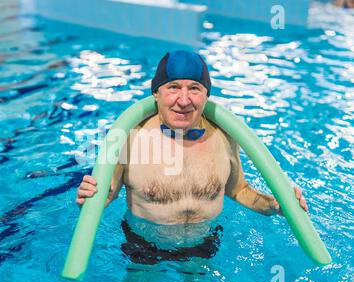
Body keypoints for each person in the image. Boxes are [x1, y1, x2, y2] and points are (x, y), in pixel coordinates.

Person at [76, 50, 308, 263]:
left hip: (203, 242)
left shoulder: (225, 137)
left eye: (195, 88)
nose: (184, 100)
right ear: (156, 93)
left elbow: (238, 190)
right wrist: (91, 198)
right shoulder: (128, 137)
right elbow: (107, 195)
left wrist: (275, 204)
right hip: (144, 244)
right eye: (173, 87)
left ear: (207, 95)